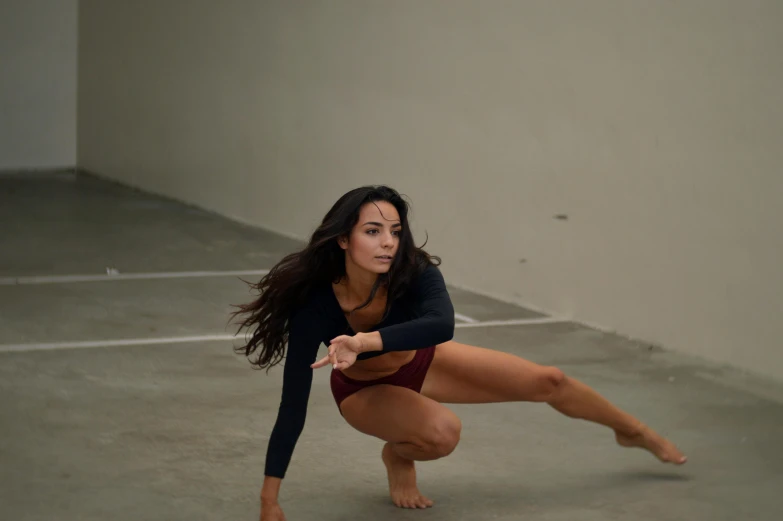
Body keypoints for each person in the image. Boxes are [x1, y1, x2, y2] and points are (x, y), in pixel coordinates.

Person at [232, 185, 687, 520]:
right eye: (373, 231)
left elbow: (441, 326)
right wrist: (269, 500)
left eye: (394, 230)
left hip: (423, 362)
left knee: (548, 380)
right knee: (443, 433)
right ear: (344, 240)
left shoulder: (413, 273)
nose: (388, 242)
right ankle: (399, 454)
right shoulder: (316, 304)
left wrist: (364, 341)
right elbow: (292, 406)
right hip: (364, 392)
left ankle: (633, 432)